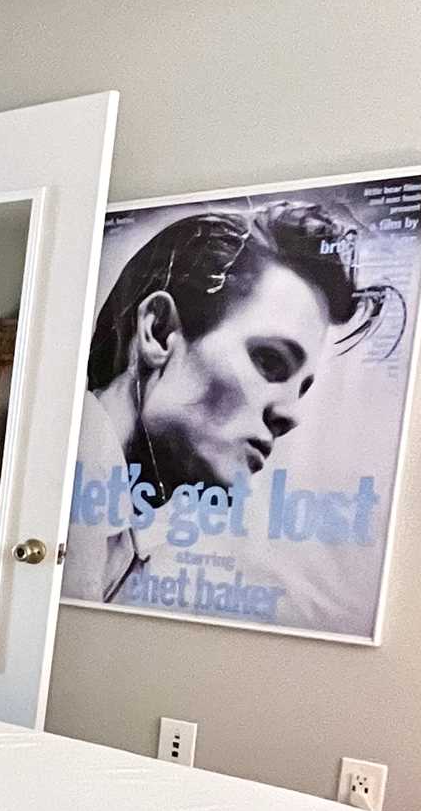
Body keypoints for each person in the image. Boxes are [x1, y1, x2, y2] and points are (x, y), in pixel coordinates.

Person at [64, 200, 384, 604]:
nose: (290, 414)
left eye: (302, 388)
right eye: (269, 361)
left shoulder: (122, 542)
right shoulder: (50, 496)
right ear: (159, 332)